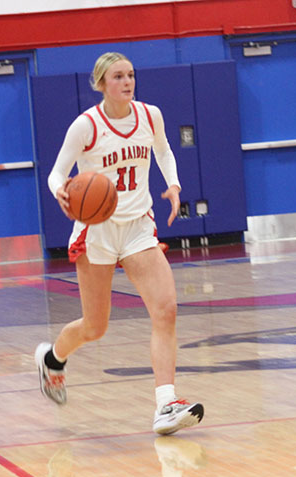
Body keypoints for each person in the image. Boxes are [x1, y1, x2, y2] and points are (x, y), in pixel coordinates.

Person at [34, 52, 204, 434]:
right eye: (117, 77)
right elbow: (57, 173)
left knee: (167, 310)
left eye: (130, 75)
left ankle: (166, 403)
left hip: (138, 226)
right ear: (100, 84)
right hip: (97, 230)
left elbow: (162, 150)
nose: (127, 82)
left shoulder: (150, 115)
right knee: (95, 327)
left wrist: (173, 185)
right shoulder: (86, 126)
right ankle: (53, 359)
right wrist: (61, 192)